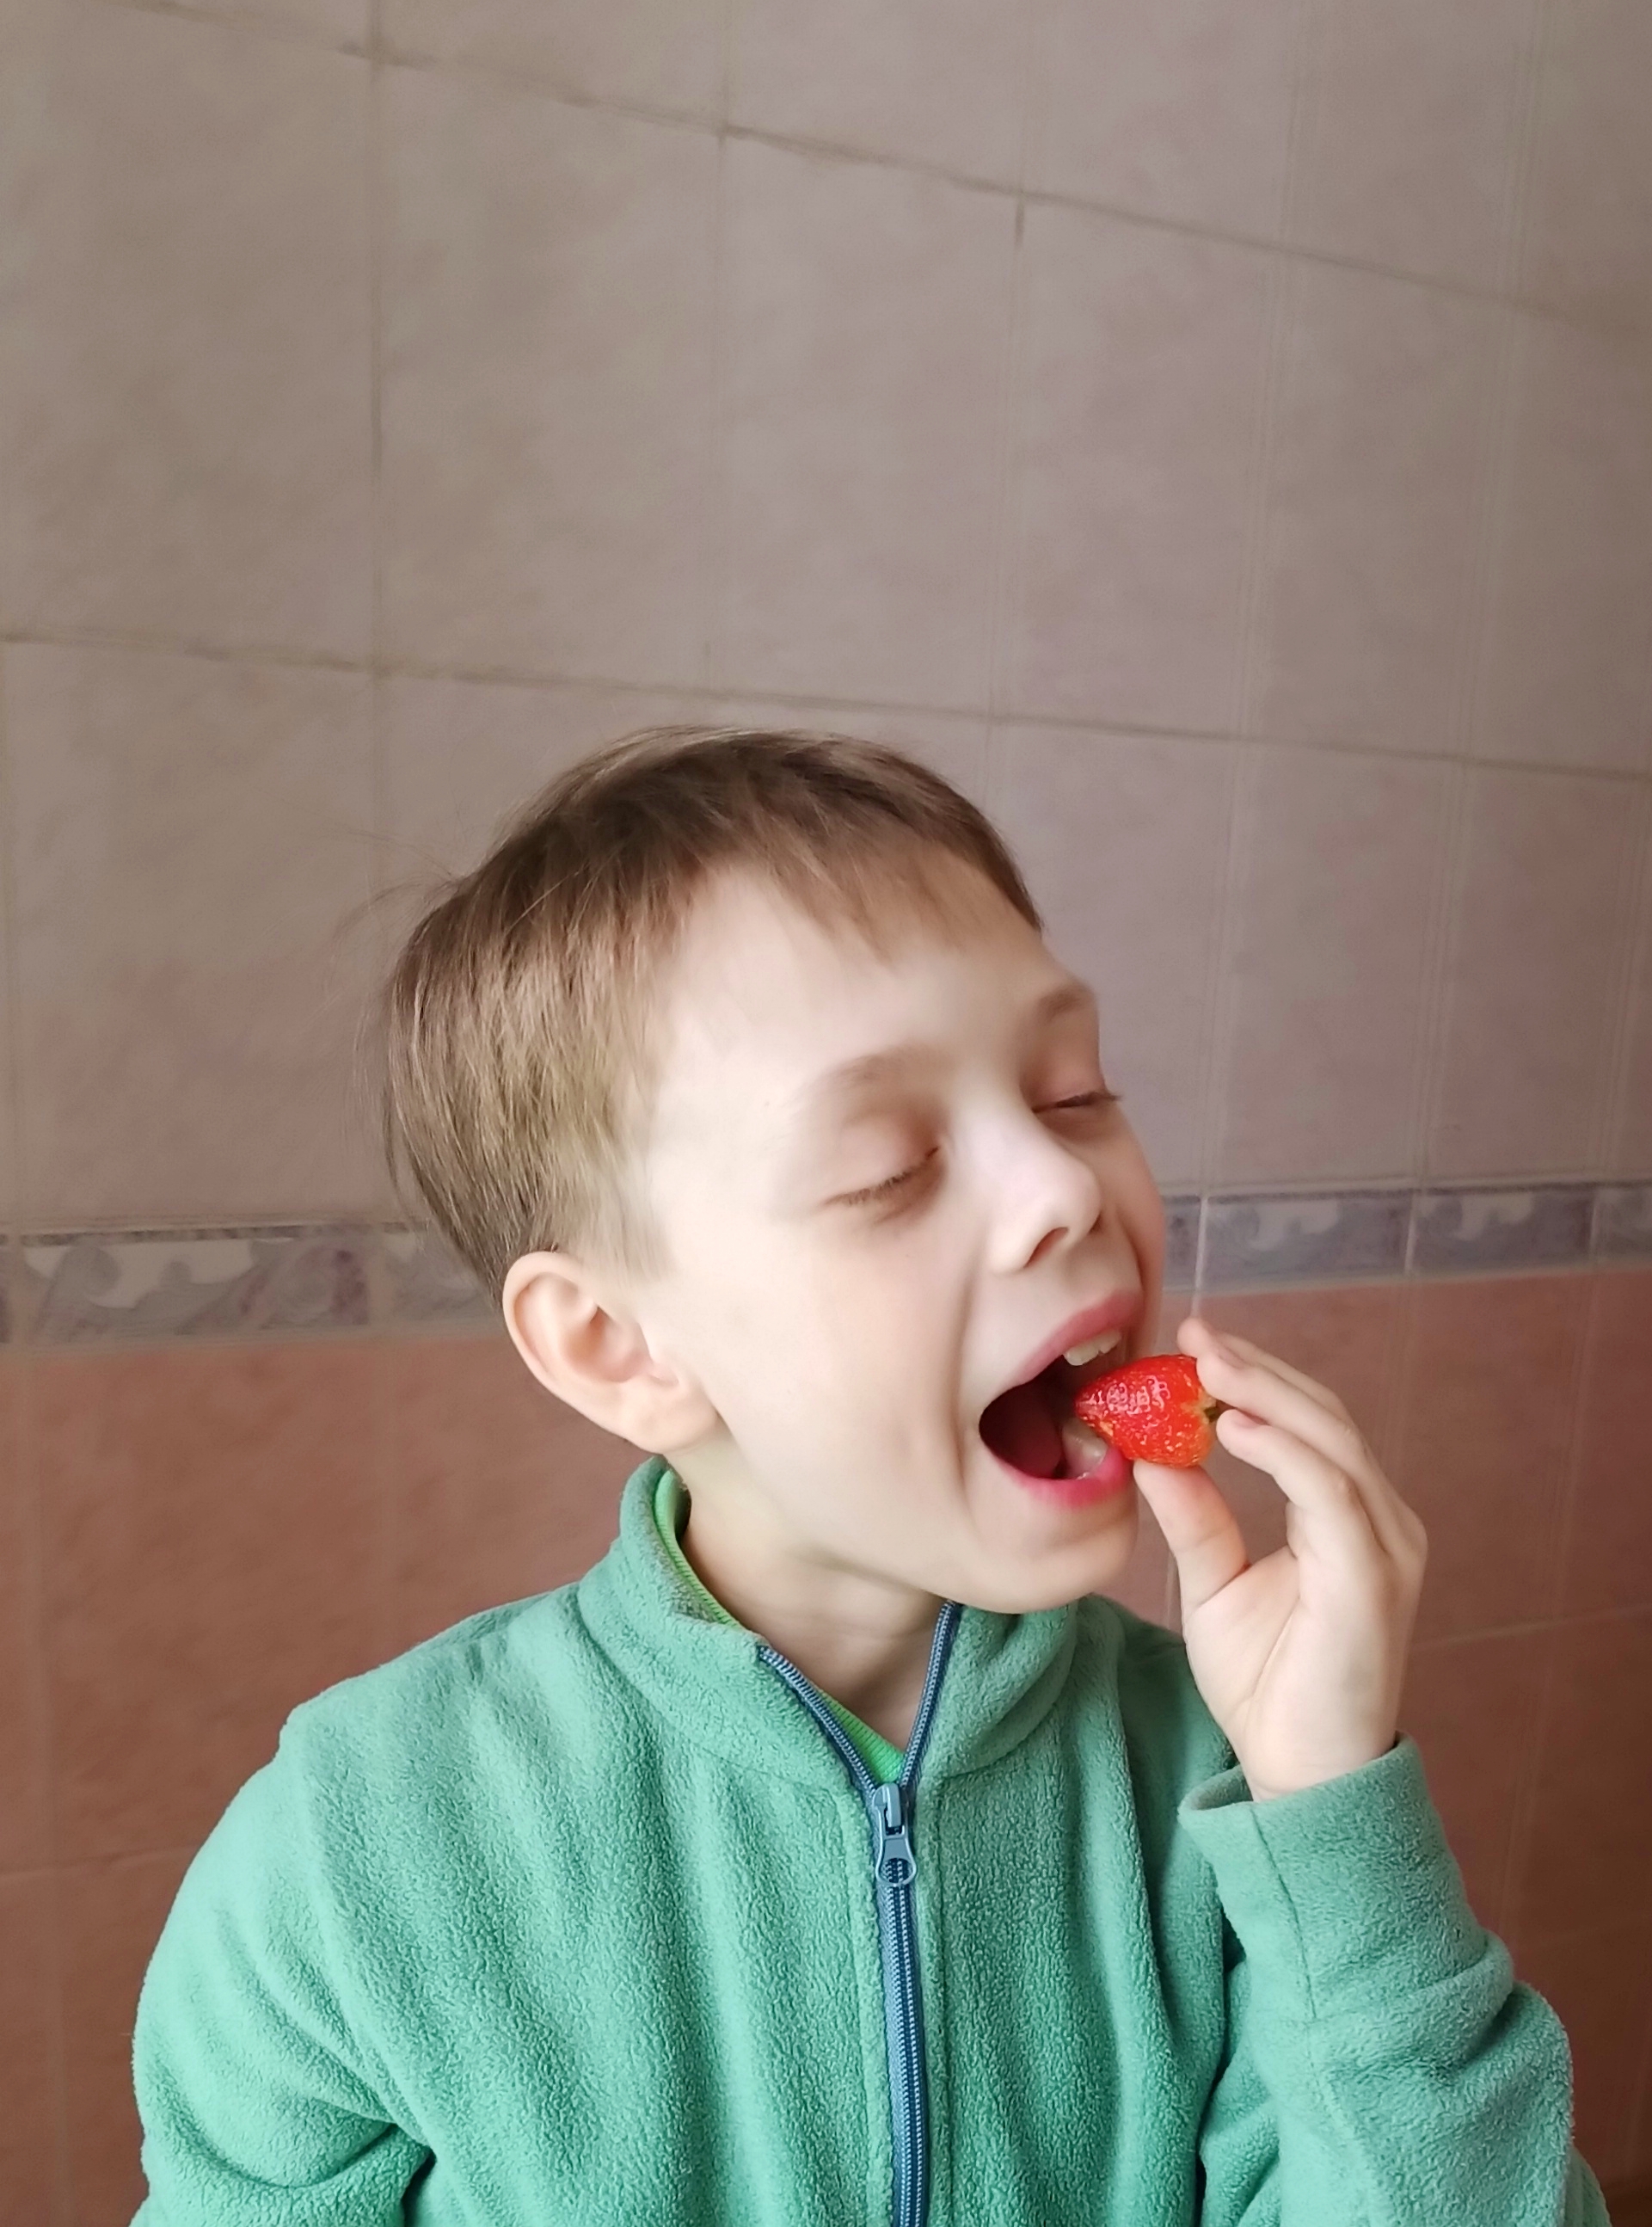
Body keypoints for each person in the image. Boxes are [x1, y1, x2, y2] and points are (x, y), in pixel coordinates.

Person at [128, 725, 1611, 2224]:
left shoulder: (1231, 1790)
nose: (1062, 1187)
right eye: (890, 1166)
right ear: (618, 1347)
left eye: (1073, 1092)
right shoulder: (355, 1849)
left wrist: (1335, 1813)